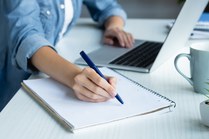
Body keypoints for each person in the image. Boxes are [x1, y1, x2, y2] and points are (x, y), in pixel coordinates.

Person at [0, 0, 134, 111]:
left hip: (43, 80)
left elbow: (108, 6)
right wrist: (74, 75)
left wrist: (114, 27)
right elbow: (26, 38)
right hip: (13, 90)